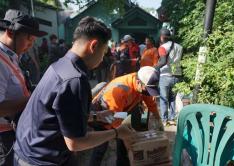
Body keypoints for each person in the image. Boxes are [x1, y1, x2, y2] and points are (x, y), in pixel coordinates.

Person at [13, 16, 135, 166]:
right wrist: (117, 133)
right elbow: (75, 142)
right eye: (103, 52)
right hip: (42, 159)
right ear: (94, 46)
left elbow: (59, 116)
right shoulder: (75, 80)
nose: (102, 59)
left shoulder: (60, 65)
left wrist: (96, 116)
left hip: (25, 150)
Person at [0, 9, 47, 166]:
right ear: (10, 32)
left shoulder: (12, 55)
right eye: (29, 39)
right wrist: (34, 99)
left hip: (14, 131)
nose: (30, 45)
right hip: (3, 139)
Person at [89, 66, 161, 166]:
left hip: (121, 111)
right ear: (138, 83)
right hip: (104, 114)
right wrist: (129, 140)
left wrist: (158, 120)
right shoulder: (119, 90)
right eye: (147, 89)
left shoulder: (143, 84)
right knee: (100, 148)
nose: (148, 92)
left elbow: (150, 103)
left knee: (123, 143)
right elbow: (115, 121)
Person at [155, 28, 183, 126]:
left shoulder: (162, 47)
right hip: (177, 75)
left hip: (165, 75)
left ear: (162, 37)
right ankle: (172, 119)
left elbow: (162, 61)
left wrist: (155, 68)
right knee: (173, 98)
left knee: (163, 99)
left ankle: (164, 120)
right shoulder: (179, 47)